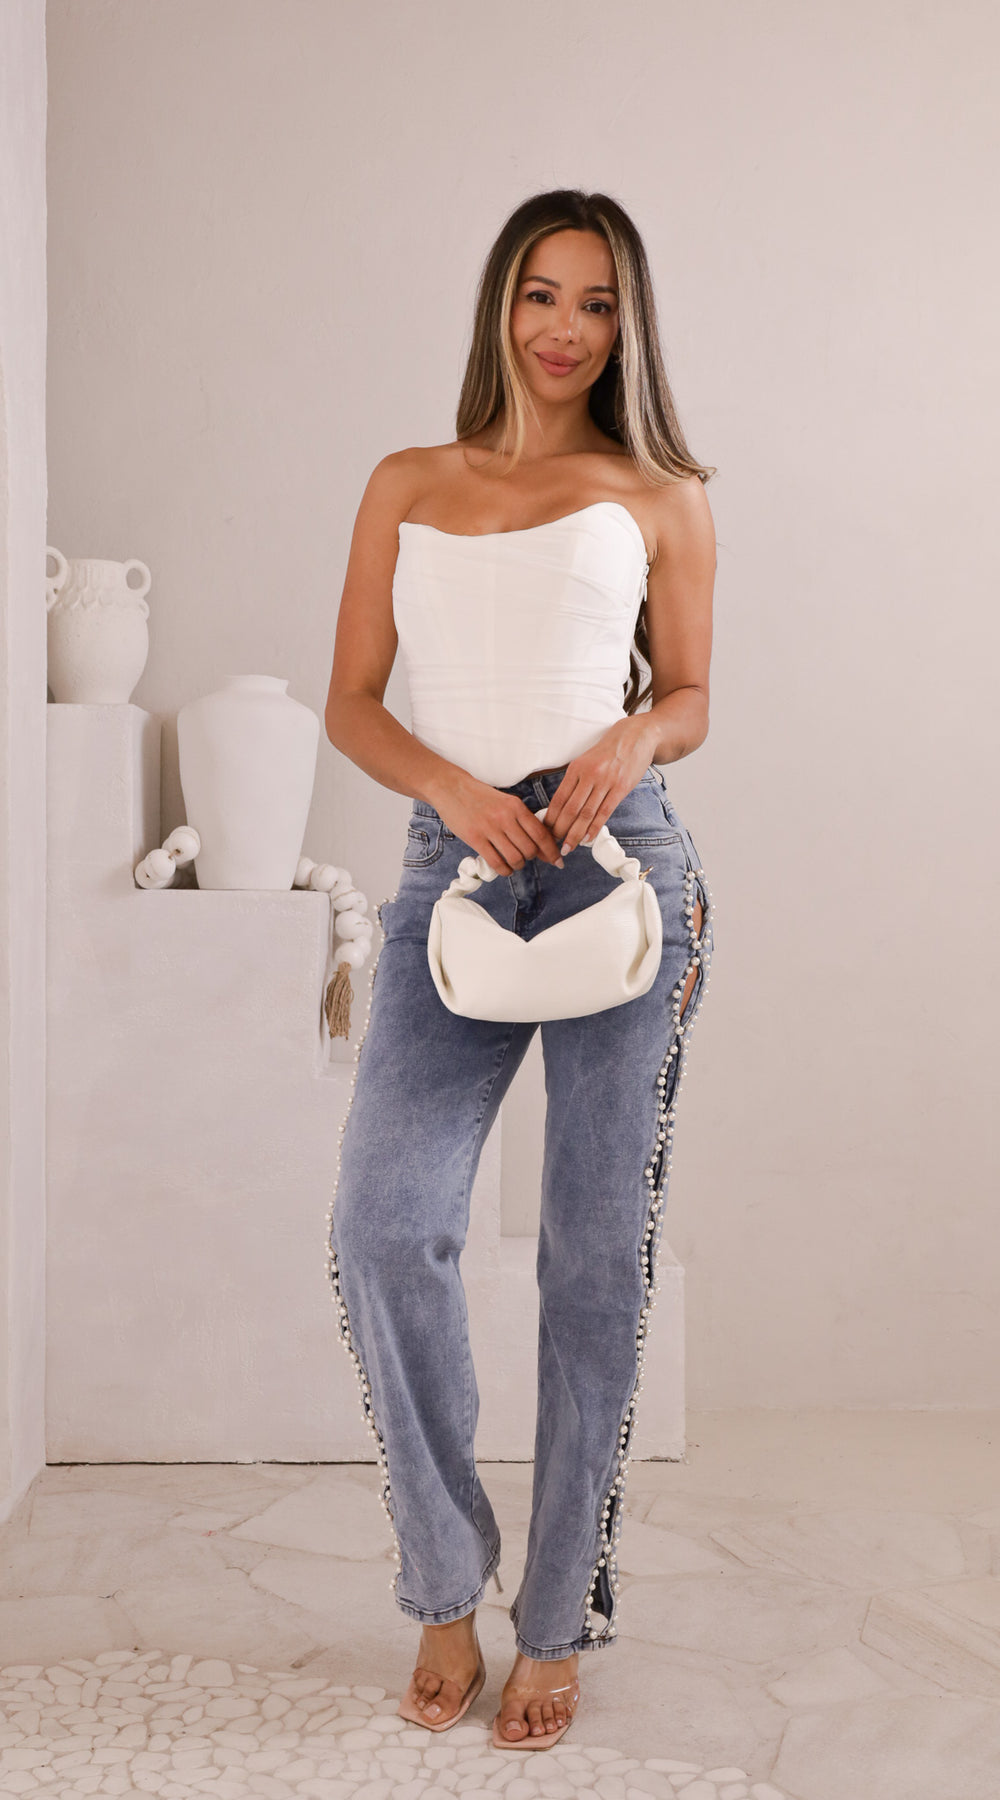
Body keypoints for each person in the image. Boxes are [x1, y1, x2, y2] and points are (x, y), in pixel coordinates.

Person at [323, 188, 717, 1750]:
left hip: (622, 872)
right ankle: (443, 1586)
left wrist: (631, 736)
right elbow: (354, 699)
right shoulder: (406, 482)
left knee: (589, 1259)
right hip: (457, 871)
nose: (565, 328)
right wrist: (448, 790)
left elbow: (690, 692)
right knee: (385, 1225)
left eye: (598, 303)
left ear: (628, 326)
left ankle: (554, 1619)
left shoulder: (659, 492)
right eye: (542, 294)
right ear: (500, 303)